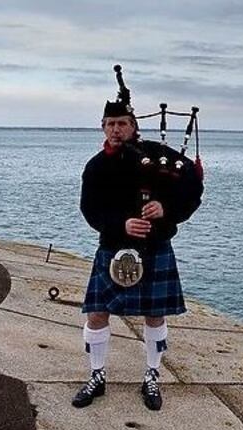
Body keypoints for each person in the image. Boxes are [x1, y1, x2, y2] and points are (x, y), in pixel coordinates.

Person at [73, 77, 203, 411]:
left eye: (123, 123)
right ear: (102, 127)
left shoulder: (157, 156)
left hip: (155, 247)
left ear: (134, 126)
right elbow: (90, 210)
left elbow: (193, 186)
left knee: (155, 315)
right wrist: (120, 223)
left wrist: (166, 209)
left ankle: (152, 375)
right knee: (97, 313)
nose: (116, 129)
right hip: (113, 247)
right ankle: (97, 375)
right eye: (110, 124)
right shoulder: (96, 167)